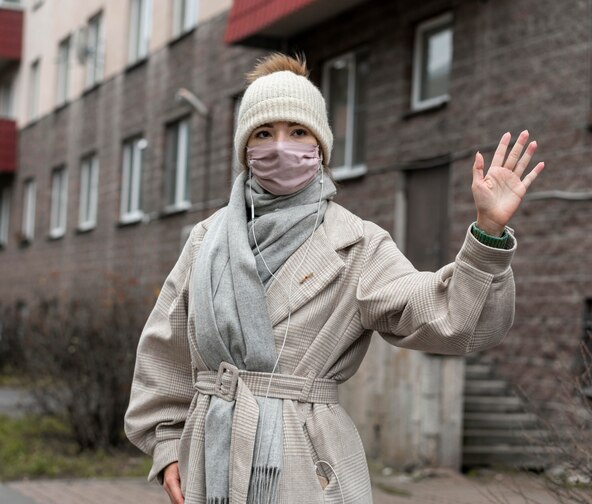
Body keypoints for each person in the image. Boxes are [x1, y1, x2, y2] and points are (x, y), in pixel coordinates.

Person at [124, 53, 544, 504]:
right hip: (211, 461)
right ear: (245, 149)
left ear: (320, 148)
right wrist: (168, 445)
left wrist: (488, 233)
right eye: (264, 133)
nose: (280, 147)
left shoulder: (357, 243)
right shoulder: (205, 241)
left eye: (297, 132)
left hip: (310, 467)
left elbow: (449, 317)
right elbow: (164, 350)